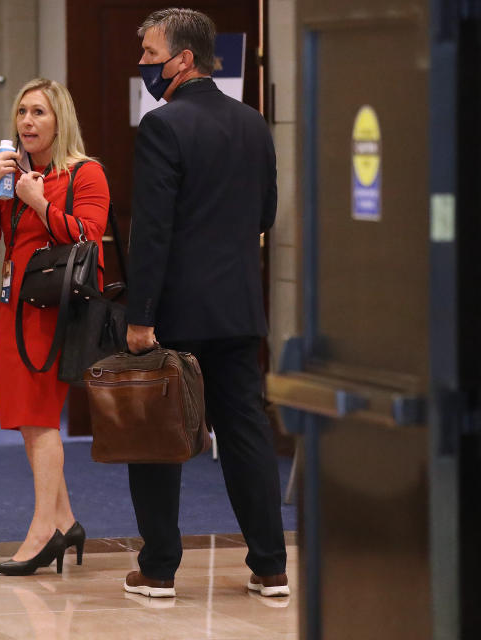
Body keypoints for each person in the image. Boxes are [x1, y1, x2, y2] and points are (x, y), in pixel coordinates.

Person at [123, 8, 288, 599]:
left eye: (149, 53)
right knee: (246, 431)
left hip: (177, 313)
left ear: (183, 59)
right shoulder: (253, 124)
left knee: (158, 434)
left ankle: (160, 568)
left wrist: (140, 317)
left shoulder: (164, 126)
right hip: (240, 307)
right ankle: (270, 565)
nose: (142, 63)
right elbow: (266, 215)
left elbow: (153, 231)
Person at [0, 78, 110, 576]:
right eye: (22, 113)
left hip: (57, 312)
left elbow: (89, 237)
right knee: (30, 421)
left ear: (59, 120)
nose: (27, 122)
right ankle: (66, 523)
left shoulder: (86, 174)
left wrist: (38, 201)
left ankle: (43, 529)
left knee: (42, 419)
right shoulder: (12, 176)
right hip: (15, 308)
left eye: (39, 113)